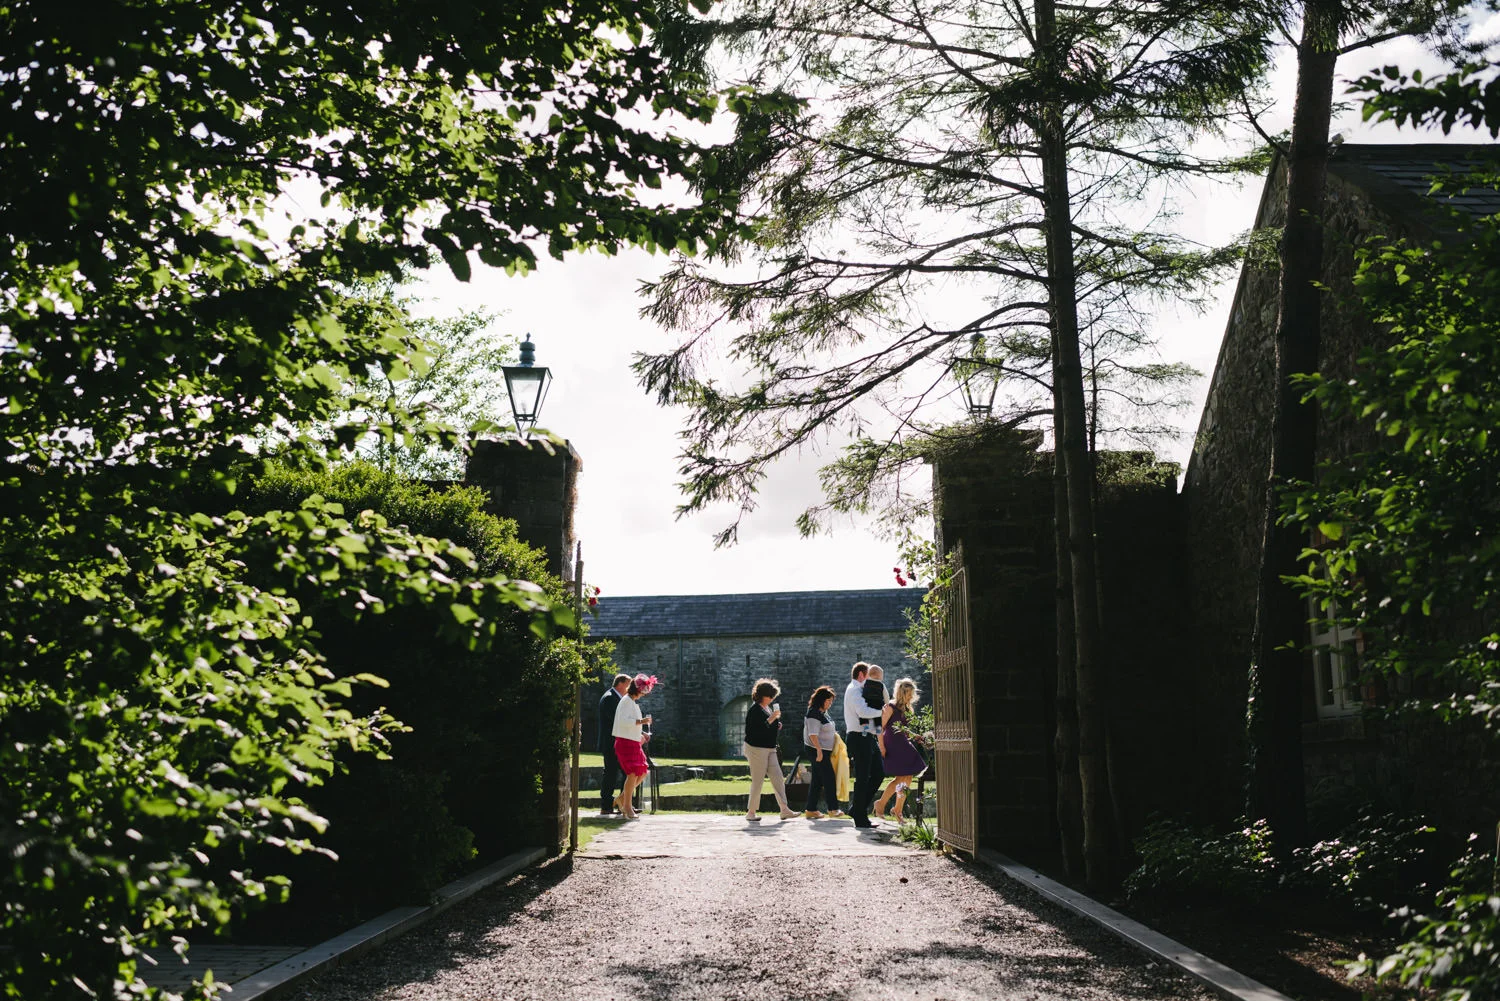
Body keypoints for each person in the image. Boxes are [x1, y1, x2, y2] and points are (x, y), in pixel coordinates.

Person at [742, 679, 798, 822]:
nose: (772, 699)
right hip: (756, 749)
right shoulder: (754, 710)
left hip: (770, 748)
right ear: (762, 695)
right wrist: (772, 719)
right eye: (770, 696)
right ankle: (751, 812)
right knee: (758, 780)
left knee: (778, 777)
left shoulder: (766, 708)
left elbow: (767, 726)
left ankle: (784, 809)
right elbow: (755, 730)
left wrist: (776, 724)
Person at [875, 677, 928, 822]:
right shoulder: (890, 707)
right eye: (909, 694)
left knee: (908, 777)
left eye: (912, 694)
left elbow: (904, 729)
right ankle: (881, 804)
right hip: (892, 745)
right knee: (900, 778)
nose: (911, 697)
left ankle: (897, 809)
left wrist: (915, 736)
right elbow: (879, 728)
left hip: (904, 744)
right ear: (902, 693)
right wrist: (881, 747)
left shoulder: (906, 708)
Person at [843, 662, 886, 828]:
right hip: (858, 738)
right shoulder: (854, 690)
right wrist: (883, 712)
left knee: (878, 773)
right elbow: (863, 712)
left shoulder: (861, 690)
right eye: (868, 676)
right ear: (861, 675)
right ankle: (860, 817)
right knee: (862, 777)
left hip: (867, 737)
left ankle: (857, 808)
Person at [612, 673, 658, 819]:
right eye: (643, 692)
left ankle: (622, 798)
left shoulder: (631, 701)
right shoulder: (626, 701)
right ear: (637, 690)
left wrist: (640, 734)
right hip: (625, 742)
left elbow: (631, 723)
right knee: (632, 773)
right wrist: (642, 721)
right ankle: (627, 806)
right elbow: (624, 721)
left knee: (642, 771)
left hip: (633, 742)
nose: (643, 695)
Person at [802, 685, 843, 819]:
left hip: (823, 750)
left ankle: (811, 809)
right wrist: (819, 751)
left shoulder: (823, 713)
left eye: (831, 701)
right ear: (821, 700)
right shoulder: (813, 713)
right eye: (828, 700)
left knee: (817, 780)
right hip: (816, 750)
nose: (830, 703)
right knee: (829, 778)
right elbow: (813, 734)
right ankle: (833, 809)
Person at [597, 673, 631, 815]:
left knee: (626, 773)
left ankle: (623, 803)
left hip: (618, 742)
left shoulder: (617, 698)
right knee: (611, 773)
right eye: (628, 684)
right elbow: (617, 721)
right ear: (620, 684)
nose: (629, 688)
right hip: (611, 743)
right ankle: (607, 806)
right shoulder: (609, 698)